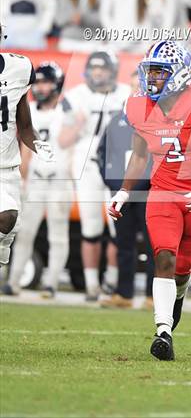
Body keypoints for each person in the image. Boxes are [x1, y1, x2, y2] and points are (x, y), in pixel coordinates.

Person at [108, 40, 191, 361]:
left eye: (159, 73)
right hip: (162, 193)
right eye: (149, 72)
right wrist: (124, 190)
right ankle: (162, 331)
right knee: (163, 257)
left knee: (180, 270)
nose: (152, 79)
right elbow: (139, 156)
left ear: (178, 74)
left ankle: (177, 297)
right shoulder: (139, 106)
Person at [58, 51, 130, 301]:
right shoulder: (76, 96)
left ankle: (111, 280)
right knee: (91, 226)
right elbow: (63, 140)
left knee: (117, 226)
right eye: (94, 68)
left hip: (116, 163)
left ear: (112, 71)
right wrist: (77, 125)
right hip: (86, 164)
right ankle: (91, 285)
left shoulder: (126, 94)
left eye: (103, 68)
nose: (98, 73)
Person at [3, 62, 72, 298]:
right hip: (33, 179)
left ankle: (51, 283)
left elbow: (68, 143)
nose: (41, 87)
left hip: (59, 179)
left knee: (57, 234)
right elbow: (23, 143)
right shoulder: (28, 106)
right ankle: (13, 281)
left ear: (57, 84)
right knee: (24, 232)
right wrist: (22, 177)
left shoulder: (67, 111)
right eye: (39, 81)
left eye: (46, 82)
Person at [98, 71, 154, 309]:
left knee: (154, 245)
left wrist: (138, 186)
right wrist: (114, 184)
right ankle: (124, 294)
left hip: (147, 192)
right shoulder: (117, 119)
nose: (136, 91)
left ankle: (154, 296)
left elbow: (156, 158)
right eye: (132, 86)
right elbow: (102, 153)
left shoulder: (156, 118)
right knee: (124, 243)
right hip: (121, 192)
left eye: (139, 87)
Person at [0, 28, 54, 267]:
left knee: (8, 230)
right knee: (7, 215)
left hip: (7, 168)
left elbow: (24, 124)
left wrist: (38, 144)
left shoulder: (18, 69)